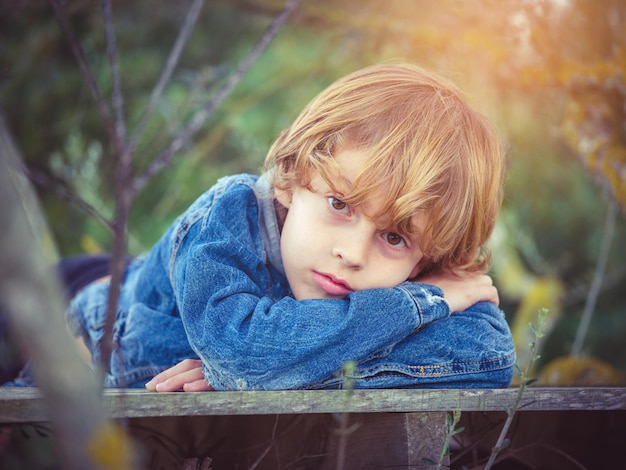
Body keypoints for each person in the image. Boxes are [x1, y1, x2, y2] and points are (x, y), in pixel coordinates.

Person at [12, 63, 516, 391]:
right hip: (91, 338)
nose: (352, 253)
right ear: (291, 180)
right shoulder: (227, 215)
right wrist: (419, 306)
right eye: (340, 204)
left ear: (426, 261)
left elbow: (489, 355)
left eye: (395, 237)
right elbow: (243, 356)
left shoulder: (410, 275)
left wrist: (287, 368)